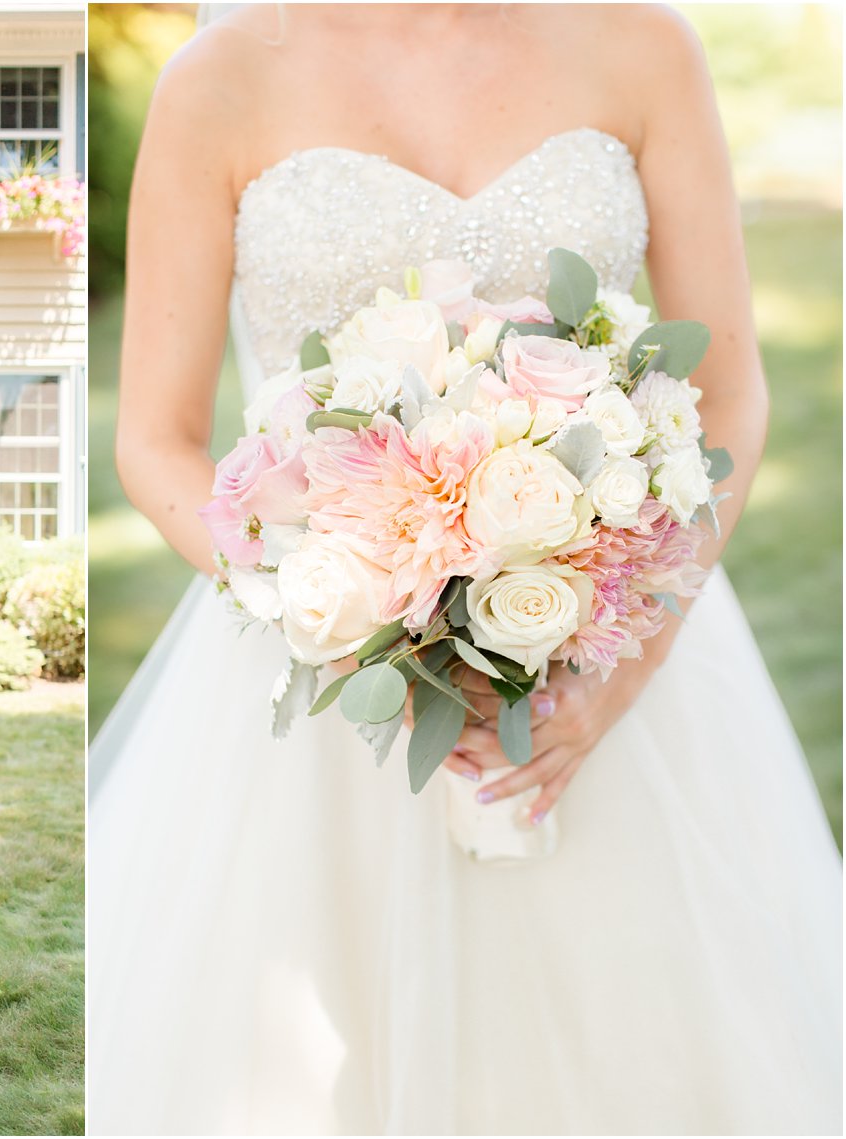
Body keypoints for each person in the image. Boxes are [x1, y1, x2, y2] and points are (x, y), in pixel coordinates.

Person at [87, 5, 842, 1133]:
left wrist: (610, 679)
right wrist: (345, 611)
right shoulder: (221, 78)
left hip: (613, 642)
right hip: (329, 672)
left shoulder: (639, 43)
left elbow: (727, 391)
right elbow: (153, 438)